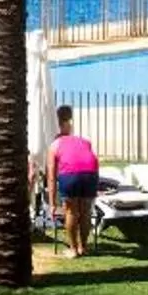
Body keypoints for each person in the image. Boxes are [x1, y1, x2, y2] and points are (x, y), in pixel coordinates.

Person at [44, 106, 100, 258]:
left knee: (71, 211)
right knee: (85, 211)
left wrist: (52, 204)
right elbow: (91, 158)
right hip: (91, 173)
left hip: (71, 174)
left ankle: (73, 249)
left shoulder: (54, 146)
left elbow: (51, 177)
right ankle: (84, 247)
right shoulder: (84, 141)